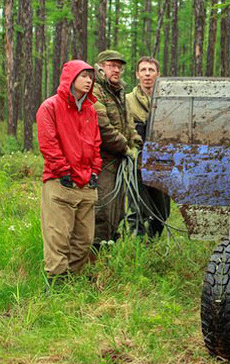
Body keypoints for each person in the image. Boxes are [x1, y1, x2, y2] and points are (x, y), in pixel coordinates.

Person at [36, 60, 101, 277]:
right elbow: (48, 143)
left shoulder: (91, 111)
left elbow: (96, 144)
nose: (88, 80)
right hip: (60, 182)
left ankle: (72, 281)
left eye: (90, 76)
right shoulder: (50, 107)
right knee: (58, 238)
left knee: (84, 240)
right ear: (70, 78)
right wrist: (63, 171)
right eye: (83, 75)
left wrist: (94, 171)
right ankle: (56, 286)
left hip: (86, 184)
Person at [93, 50, 143, 247]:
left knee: (117, 209)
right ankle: (95, 250)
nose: (116, 70)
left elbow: (128, 122)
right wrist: (124, 147)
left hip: (118, 161)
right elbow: (102, 127)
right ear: (100, 67)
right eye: (111, 65)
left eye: (119, 66)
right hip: (103, 161)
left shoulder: (119, 91)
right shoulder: (96, 91)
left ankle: (110, 245)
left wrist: (136, 142)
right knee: (103, 207)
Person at [126, 56, 171, 237]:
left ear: (158, 74)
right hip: (137, 161)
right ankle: (138, 245)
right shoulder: (127, 100)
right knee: (136, 207)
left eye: (151, 70)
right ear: (137, 74)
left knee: (162, 210)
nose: (147, 74)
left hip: (161, 162)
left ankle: (153, 242)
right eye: (143, 70)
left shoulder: (168, 100)